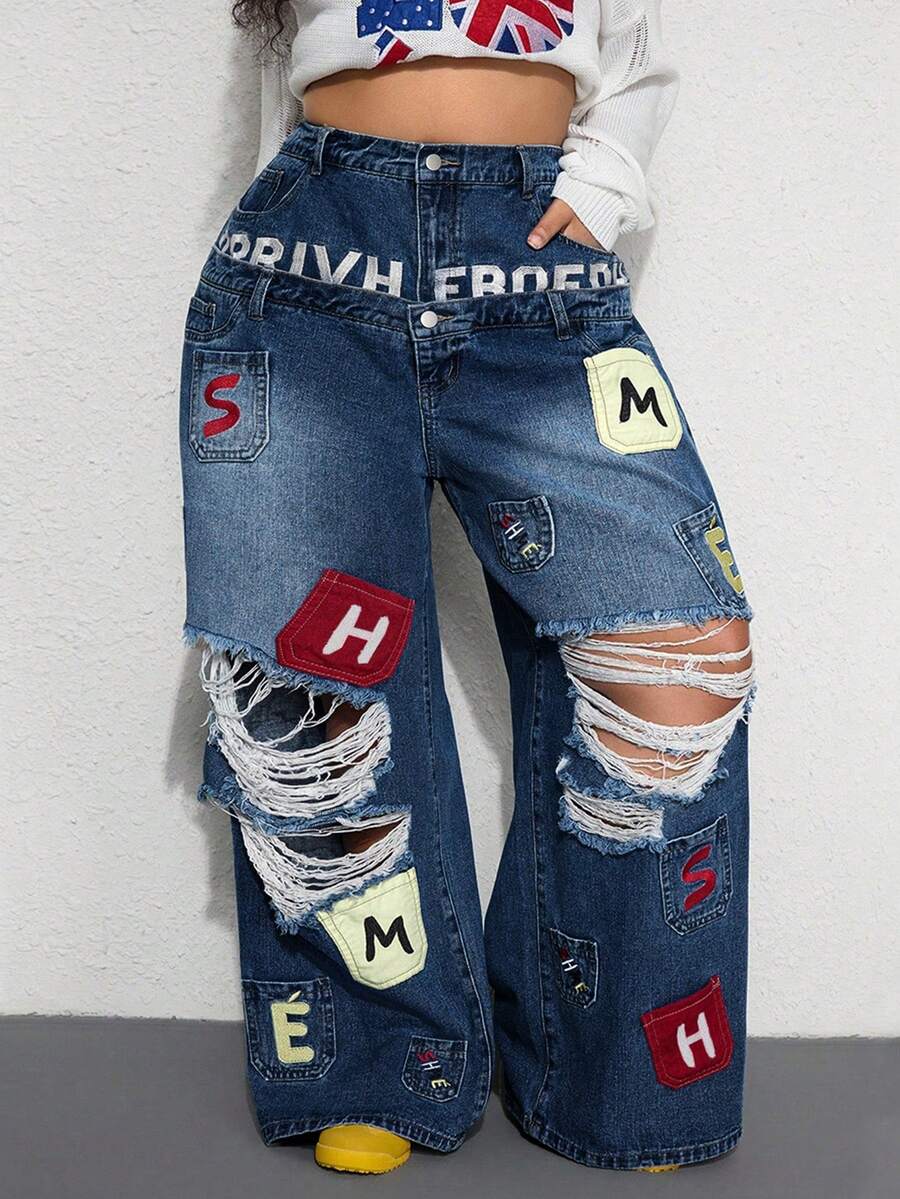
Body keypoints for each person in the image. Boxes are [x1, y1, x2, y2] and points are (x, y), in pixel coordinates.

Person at [178, 0, 755, 1176]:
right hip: (311, 260)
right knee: (313, 697)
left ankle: (617, 1077)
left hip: (537, 269)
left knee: (678, 661)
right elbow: (285, 83)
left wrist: (601, 188)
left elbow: (637, 55)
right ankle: (381, 1064)